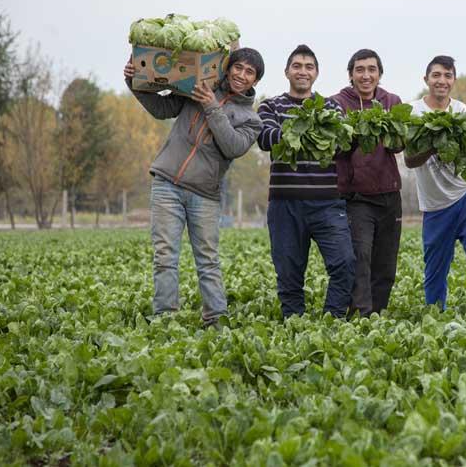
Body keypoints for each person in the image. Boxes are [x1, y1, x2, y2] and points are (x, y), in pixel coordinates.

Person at [123, 47, 265, 327]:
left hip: (205, 194)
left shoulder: (251, 120)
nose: (242, 74)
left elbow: (232, 146)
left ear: (255, 81)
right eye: (238, 67)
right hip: (167, 183)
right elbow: (162, 108)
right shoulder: (199, 85)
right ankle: (165, 318)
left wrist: (211, 105)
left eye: (250, 72)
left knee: (208, 261)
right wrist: (134, 82)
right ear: (227, 68)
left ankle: (216, 319)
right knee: (164, 256)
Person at [257, 44, 355, 318]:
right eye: (297, 66)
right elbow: (265, 139)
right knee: (289, 274)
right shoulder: (270, 105)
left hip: (327, 202)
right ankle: (294, 327)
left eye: (309, 67)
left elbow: (341, 144)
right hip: (284, 204)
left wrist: (297, 135)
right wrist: (312, 133)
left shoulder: (332, 106)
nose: (303, 71)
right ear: (287, 71)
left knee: (345, 263)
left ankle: (331, 321)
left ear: (317, 73)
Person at [404, 55, 466, 309]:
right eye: (436, 75)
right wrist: (434, 145)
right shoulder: (413, 112)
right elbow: (410, 161)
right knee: (435, 264)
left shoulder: (463, 112)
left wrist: (450, 141)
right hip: (434, 204)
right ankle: (434, 311)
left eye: (447, 75)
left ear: (453, 80)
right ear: (426, 79)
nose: (441, 81)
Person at [331, 49, 403, 317]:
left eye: (372, 70)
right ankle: (360, 315)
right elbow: (335, 149)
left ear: (380, 74)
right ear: (350, 75)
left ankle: (377, 314)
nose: (366, 75)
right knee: (360, 259)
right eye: (360, 70)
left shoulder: (392, 101)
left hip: (389, 195)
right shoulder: (338, 103)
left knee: (386, 263)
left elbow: (399, 145)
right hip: (356, 197)